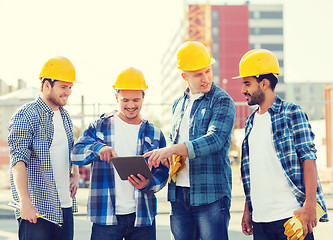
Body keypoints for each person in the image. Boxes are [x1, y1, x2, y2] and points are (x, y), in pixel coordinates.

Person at [144, 41, 236, 240]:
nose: (206, 79)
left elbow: (215, 139)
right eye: (198, 74)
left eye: (208, 71)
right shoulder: (178, 104)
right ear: (184, 76)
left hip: (210, 195)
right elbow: (173, 141)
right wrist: (164, 155)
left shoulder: (221, 100)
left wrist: (173, 149)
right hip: (179, 195)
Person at [233, 49, 328, 239]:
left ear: (264, 83)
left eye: (247, 83)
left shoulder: (292, 113)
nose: (243, 90)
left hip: (291, 216)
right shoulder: (250, 123)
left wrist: (310, 205)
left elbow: (309, 160)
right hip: (260, 220)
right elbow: (254, 171)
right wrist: (247, 210)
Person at [71, 67, 168, 240]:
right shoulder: (99, 126)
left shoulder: (155, 133)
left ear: (144, 97)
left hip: (142, 218)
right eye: (125, 100)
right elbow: (75, 155)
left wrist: (148, 184)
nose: (131, 105)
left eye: (136, 100)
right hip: (106, 217)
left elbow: (163, 173)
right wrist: (97, 148)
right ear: (116, 97)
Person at [8, 56, 80, 240]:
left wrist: (75, 173)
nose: (68, 92)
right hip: (37, 210)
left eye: (70, 87)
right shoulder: (26, 114)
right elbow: (18, 160)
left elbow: (70, 150)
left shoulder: (65, 116)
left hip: (64, 206)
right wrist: (25, 203)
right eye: (63, 87)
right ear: (46, 84)